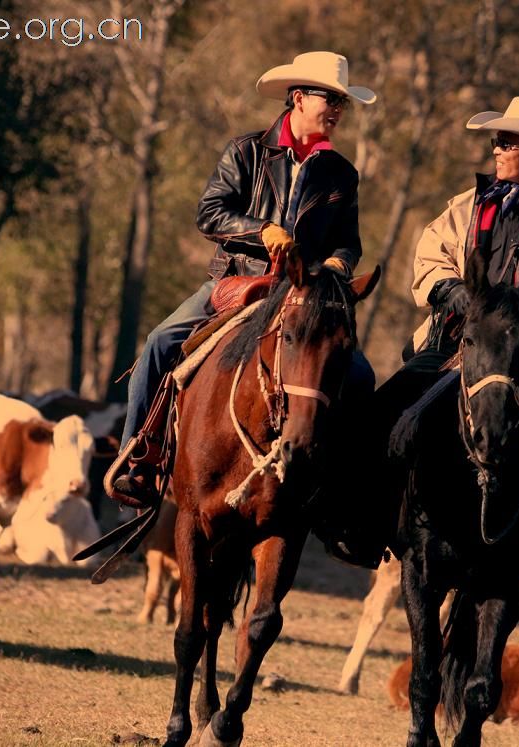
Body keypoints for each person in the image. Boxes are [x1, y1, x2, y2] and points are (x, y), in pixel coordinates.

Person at [111, 52, 378, 560]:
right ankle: (138, 462)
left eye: (342, 101)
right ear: (299, 98)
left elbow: (349, 242)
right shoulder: (246, 151)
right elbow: (210, 212)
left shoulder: (342, 173)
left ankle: (342, 502)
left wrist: (340, 267)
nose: (338, 109)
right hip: (239, 281)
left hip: (302, 294)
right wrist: (262, 231)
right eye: (331, 98)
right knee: (160, 341)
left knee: (360, 377)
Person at [354, 96, 519, 605]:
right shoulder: (465, 207)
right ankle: (364, 517)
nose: (496, 149)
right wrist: (448, 290)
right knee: (393, 405)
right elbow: (429, 259)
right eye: (497, 140)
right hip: (458, 342)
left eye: (507, 142)